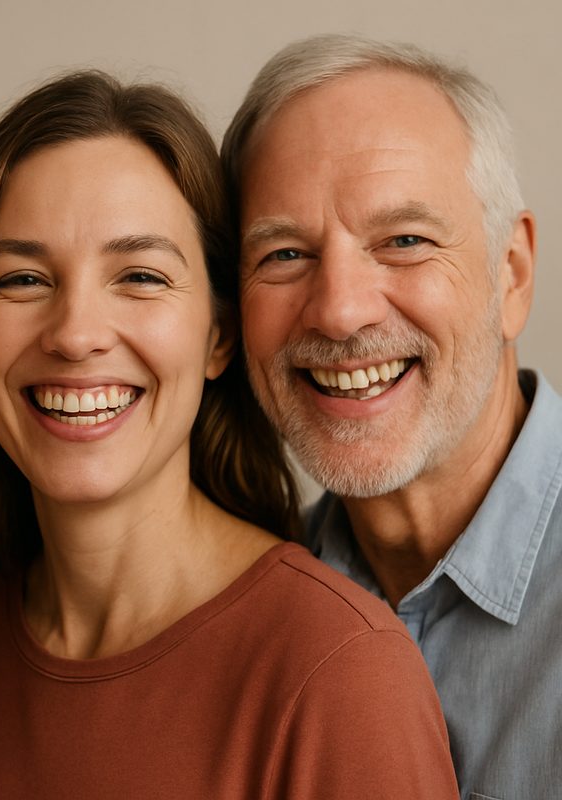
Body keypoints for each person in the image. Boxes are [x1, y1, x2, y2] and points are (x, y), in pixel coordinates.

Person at [0, 70, 458, 798]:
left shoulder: (339, 668)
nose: (76, 334)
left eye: (139, 276)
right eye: (21, 279)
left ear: (218, 336)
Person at [222, 33, 559, 798]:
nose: (339, 312)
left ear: (511, 275)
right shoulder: (247, 605)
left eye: (404, 240)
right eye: (283, 254)